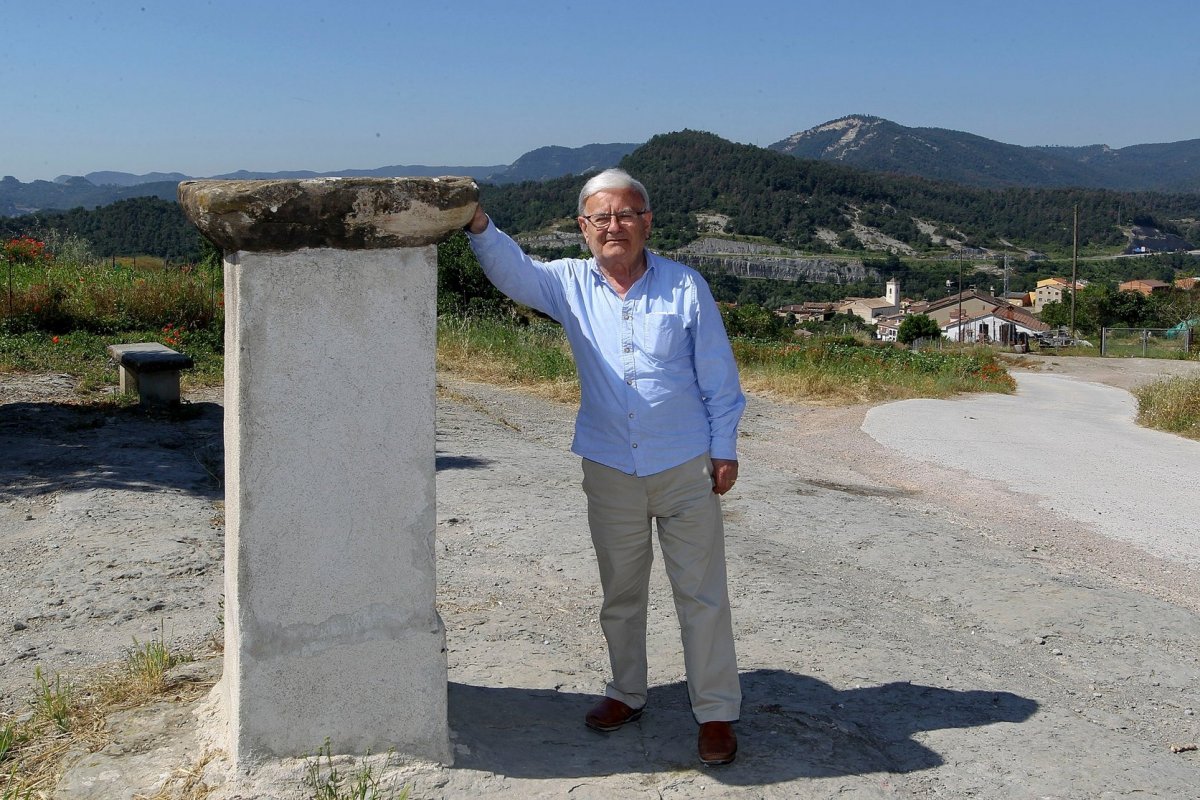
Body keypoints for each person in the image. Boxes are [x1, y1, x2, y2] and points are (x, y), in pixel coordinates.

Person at [464, 168, 745, 766]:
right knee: (621, 592)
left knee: (702, 595)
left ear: (646, 223)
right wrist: (478, 223)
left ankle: (716, 712)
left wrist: (725, 448)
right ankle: (627, 691)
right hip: (610, 465)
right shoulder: (568, 283)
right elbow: (513, 272)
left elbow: (719, 376)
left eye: (625, 216)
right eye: (601, 218)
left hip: (684, 462)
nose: (613, 227)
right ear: (583, 228)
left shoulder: (685, 287)